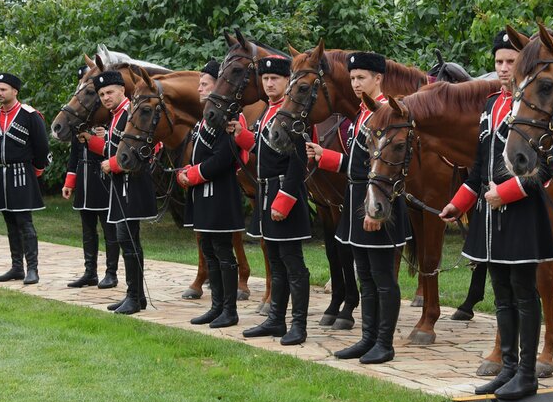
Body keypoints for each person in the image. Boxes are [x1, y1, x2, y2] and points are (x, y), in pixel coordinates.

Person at [439, 31, 553, 396]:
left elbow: (550, 166)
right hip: (490, 221)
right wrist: (458, 202)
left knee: (524, 293)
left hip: (522, 215)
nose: (504, 69)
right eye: (499, 63)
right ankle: (507, 367)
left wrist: (506, 193)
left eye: (511, 62)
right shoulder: (490, 107)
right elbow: (478, 168)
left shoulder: (538, 106)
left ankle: (526, 373)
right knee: (501, 294)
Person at [306, 51, 411, 364]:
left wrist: (375, 211)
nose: (354, 83)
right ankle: (367, 339)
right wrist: (323, 155)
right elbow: (355, 165)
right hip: (356, 201)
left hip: (377, 203)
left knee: (382, 277)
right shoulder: (362, 113)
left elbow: (387, 170)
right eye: (352, 78)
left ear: (378, 79)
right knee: (364, 275)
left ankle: (384, 343)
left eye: (361, 78)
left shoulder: (388, 111)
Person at [230, 55, 312, 346]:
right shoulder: (267, 112)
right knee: (275, 261)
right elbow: (265, 151)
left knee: (293, 263)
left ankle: (299, 325)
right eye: (265, 79)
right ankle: (277, 319)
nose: (269, 83)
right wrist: (243, 137)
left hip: (283, 194)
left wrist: (285, 200)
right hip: (265, 193)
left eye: (274, 78)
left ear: (287, 81)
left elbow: (297, 161)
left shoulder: (293, 113)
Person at [79, 70, 157, 315]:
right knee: (125, 239)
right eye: (101, 94)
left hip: (132, 184)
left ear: (122, 90)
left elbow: (143, 148)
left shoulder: (129, 113)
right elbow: (113, 147)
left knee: (128, 239)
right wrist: (91, 142)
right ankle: (134, 295)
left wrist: (112, 164)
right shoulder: (115, 116)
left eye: (109, 91)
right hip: (120, 186)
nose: (105, 97)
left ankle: (135, 296)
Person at [176, 60, 245, 328]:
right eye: (200, 84)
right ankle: (216, 307)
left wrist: (192, 175)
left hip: (220, 196)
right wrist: (184, 171)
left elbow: (224, 158)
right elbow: (198, 154)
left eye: (205, 83)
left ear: (219, 85)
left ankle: (230, 310)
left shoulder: (229, 117)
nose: (200, 88)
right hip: (202, 195)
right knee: (208, 249)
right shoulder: (205, 118)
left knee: (223, 251)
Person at [0, 72, 51, 285]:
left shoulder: (30, 115)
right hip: (1, 176)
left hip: (22, 175)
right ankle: (16, 267)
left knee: (25, 222)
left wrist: (37, 171)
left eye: (3, 89)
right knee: (10, 222)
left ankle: (33, 269)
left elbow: (42, 147)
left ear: (15, 91)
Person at [62, 66, 119, 289]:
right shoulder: (79, 120)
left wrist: (99, 138)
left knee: (109, 229)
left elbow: (112, 151)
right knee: (87, 230)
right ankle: (90, 272)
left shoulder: (107, 120)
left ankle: (111, 272)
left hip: (102, 180)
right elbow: (74, 155)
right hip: (84, 180)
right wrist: (70, 182)